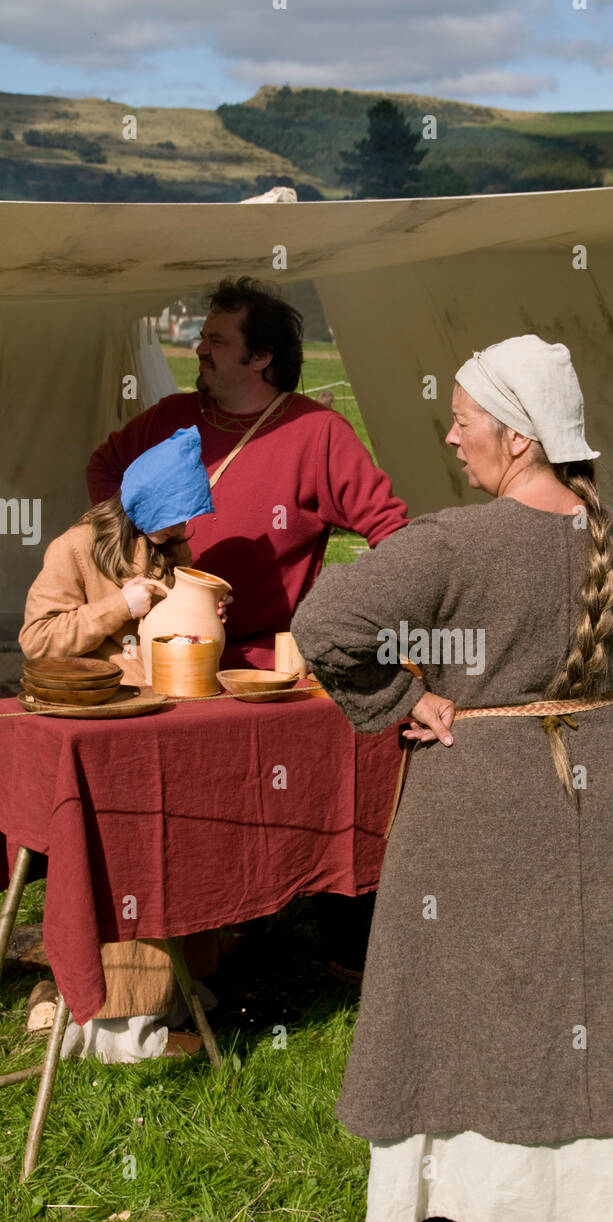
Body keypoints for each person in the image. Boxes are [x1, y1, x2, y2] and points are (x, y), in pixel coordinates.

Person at [291, 335, 613, 1222]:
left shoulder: (452, 543)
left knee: (466, 991)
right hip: (595, 795)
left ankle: (475, 1198)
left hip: (476, 798)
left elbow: (323, 621)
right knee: (586, 991)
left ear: (518, 437)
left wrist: (402, 697)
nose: (450, 437)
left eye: (462, 419)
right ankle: (598, 1200)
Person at [20, 426, 225, 1061]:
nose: (183, 533)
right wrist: (120, 607)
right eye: (174, 521)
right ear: (141, 512)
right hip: (94, 732)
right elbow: (38, 640)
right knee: (118, 867)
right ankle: (114, 1024)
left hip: (155, 731)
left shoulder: (171, 549)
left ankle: (165, 991)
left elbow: (175, 642)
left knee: (182, 852)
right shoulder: (76, 551)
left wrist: (207, 617)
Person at [86, 276, 409, 669]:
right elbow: (104, 467)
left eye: (217, 342)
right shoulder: (170, 416)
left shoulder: (318, 433)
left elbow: (392, 533)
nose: (200, 349)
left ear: (261, 357)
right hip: (156, 652)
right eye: (204, 337)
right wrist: (135, 546)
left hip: (261, 666)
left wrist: (350, 618)